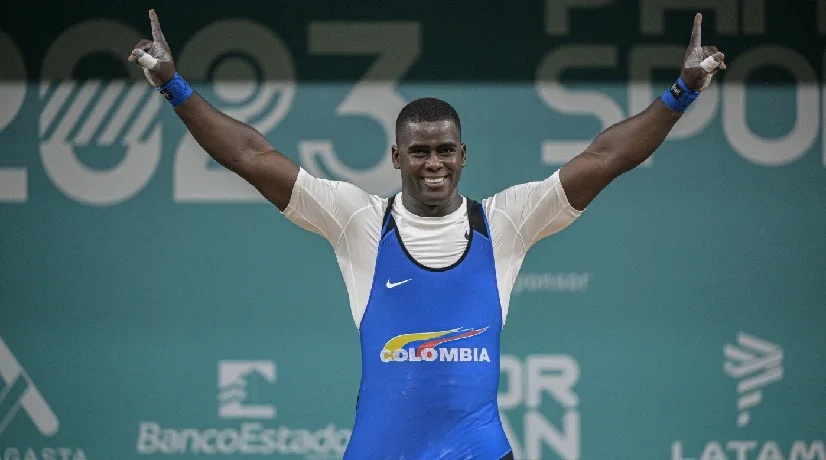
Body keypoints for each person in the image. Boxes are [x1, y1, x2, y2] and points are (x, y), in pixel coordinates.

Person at [128, 9, 725, 460]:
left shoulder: (506, 222)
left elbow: (606, 157)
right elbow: (251, 155)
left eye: (444, 150)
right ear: (396, 156)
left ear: (463, 155)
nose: (433, 163)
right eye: (419, 151)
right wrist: (173, 87)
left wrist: (682, 93)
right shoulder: (358, 220)